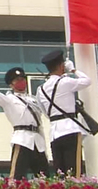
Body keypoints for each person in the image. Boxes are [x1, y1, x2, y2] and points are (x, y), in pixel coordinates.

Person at [36, 50, 91, 178]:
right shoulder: (65, 82)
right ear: (62, 66)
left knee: (60, 173)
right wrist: (73, 70)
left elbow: (44, 111)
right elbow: (87, 81)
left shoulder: (41, 89)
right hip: (70, 129)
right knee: (75, 173)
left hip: (55, 132)